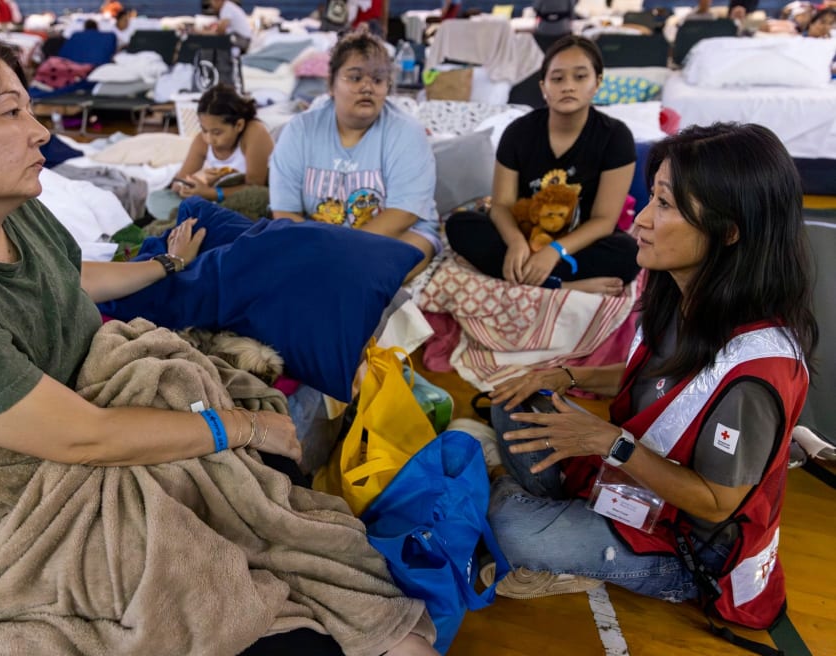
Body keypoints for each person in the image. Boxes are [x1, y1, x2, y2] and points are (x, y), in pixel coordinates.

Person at [0, 20, 437, 656]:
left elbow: (65, 275)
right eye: (11, 112)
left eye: (30, 107)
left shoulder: (10, 209)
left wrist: (164, 266)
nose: (42, 133)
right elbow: (86, 436)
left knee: (266, 496)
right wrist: (239, 425)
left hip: (70, 416)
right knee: (256, 604)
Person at [483, 123, 816, 632]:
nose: (639, 220)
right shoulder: (677, 292)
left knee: (506, 526)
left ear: (729, 231)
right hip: (630, 480)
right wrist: (566, 373)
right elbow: (659, 382)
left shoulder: (759, 370)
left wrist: (608, 442)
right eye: (652, 198)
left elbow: (719, 501)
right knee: (511, 395)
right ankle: (554, 509)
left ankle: (539, 508)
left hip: (682, 546)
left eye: (664, 205)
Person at [446, 35, 639, 296]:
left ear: (597, 83)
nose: (568, 86)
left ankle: (532, 278)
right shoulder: (518, 133)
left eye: (580, 77)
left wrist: (554, 251)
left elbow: (604, 221)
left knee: (629, 253)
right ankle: (562, 285)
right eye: (557, 79)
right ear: (543, 87)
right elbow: (502, 205)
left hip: (578, 244)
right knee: (459, 225)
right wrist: (515, 243)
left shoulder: (616, 137)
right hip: (526, 235)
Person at [269, 28, 440, 279]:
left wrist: (341, 249)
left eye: (378, 79)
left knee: (364, 277)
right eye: (355, 77)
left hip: (400, 235)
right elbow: (285, 212)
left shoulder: (407, 133)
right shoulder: (300, 131)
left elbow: (404, 213)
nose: (367, 88)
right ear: (331, 84)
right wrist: (321, 248)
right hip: (319, 240)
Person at [146, 84, 274, 221]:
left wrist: (212, 193)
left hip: (247, 202)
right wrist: (191, 185)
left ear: (239, 125)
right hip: (214, 200)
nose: (209, 139)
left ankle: (196, 220)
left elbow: (256, 188)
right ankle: (200, 219)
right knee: (157, 198)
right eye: (204, 130)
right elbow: (180, 181)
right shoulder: (202, 141)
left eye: (217, 132)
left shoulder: (254, 133)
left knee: (258, 200)